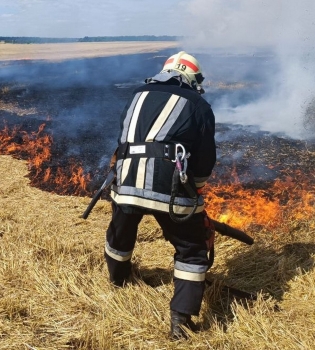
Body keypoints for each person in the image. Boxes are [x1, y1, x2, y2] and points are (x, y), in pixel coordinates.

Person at [104, 51, 217, 339]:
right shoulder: (198, 104)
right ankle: (181, 321)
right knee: (191, 248)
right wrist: (197, 190)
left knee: (120, 233)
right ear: (192, 78)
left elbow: (124, 137)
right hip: (170, 188)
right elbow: (204, 160)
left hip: (126, 181)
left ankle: (118, 281)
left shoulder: (137, 94)